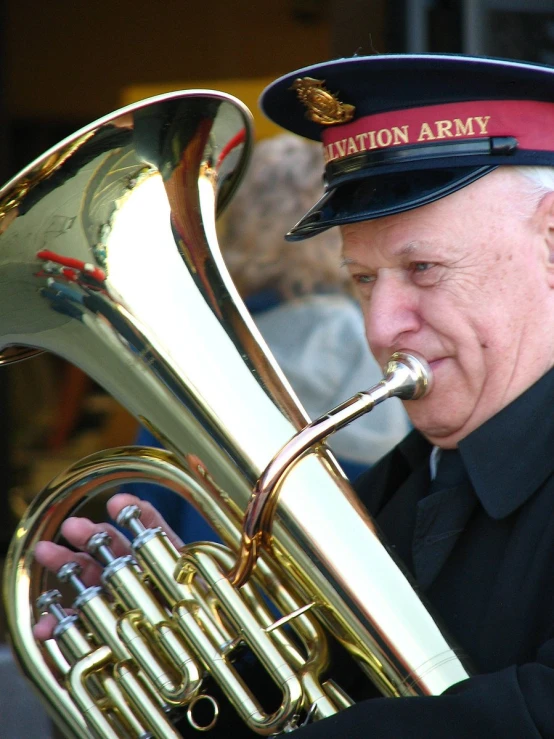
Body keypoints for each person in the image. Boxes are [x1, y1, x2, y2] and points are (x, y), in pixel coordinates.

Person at [34, 52, 554, 737]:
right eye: (363, 280)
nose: (380, 326)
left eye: (423, 269)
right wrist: (189, 648)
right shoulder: (388, 501)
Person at [131, 132, 409, 541]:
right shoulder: (353, 332)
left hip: (203, 568)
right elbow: (391, 493)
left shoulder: (201, 340)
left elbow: (144, 500)